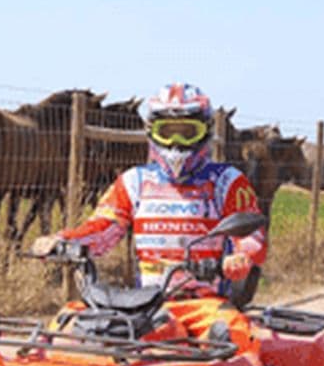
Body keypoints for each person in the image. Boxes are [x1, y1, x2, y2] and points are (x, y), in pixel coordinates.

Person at [31, 82, 267, 339]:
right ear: (152, 132)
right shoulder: (134, 181)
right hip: (142, 304)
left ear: (205, 132)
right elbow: (104, 227)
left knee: (237, 336)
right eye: (167, 132)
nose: (176, 144)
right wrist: (63, 240)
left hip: (203, 303)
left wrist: (242, 256)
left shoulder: (228, 181)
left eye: (187, 132)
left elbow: (252, 235)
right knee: (63, 328)